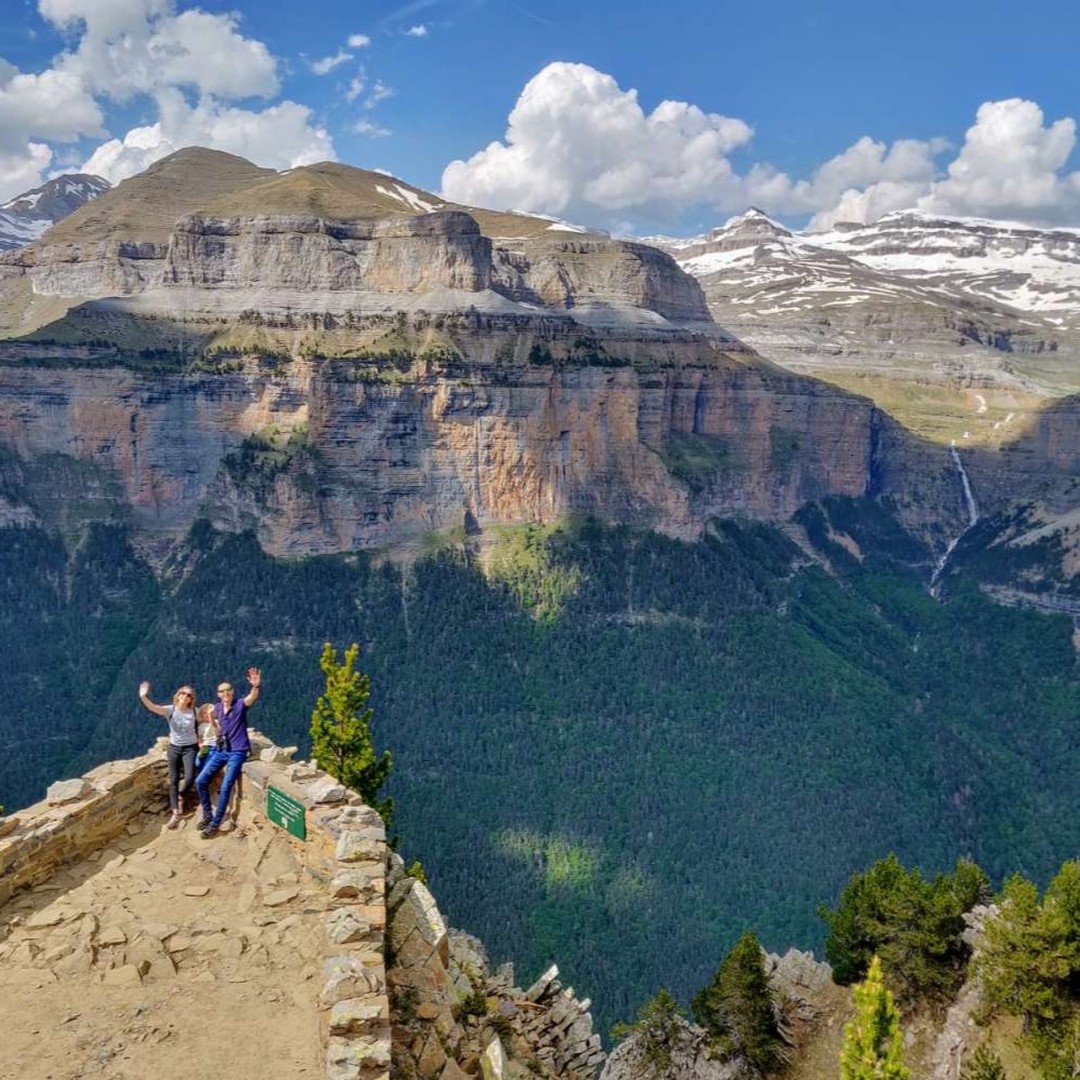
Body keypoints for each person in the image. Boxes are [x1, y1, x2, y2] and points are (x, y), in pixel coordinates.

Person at [195, 667, 261, 838]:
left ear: (232, 692)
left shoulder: (239, 704)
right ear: (218, 694)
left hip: (238, 751)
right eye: (222, 691)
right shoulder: (216, 708)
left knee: (226, 787)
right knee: (200, 781)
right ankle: (207, 814)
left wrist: (255, 686)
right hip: (222, 749)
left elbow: (251, 698)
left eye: (228, 690)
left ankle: (215, 823)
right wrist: (211, 720)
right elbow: (218, 731)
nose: (226, 693)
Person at [138, 680, 199, 829]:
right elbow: (153, 708)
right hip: (174, 748)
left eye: (188, 695)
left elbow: (209, 717)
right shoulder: (170, 710)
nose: (185, 696)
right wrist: (143, 696)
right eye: (182, 693)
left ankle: (181, 796)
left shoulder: (195, 711)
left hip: (190, 748)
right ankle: (176, 813)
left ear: (191, 699)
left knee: (190, 777)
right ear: (177, 696)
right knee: (173, 780)